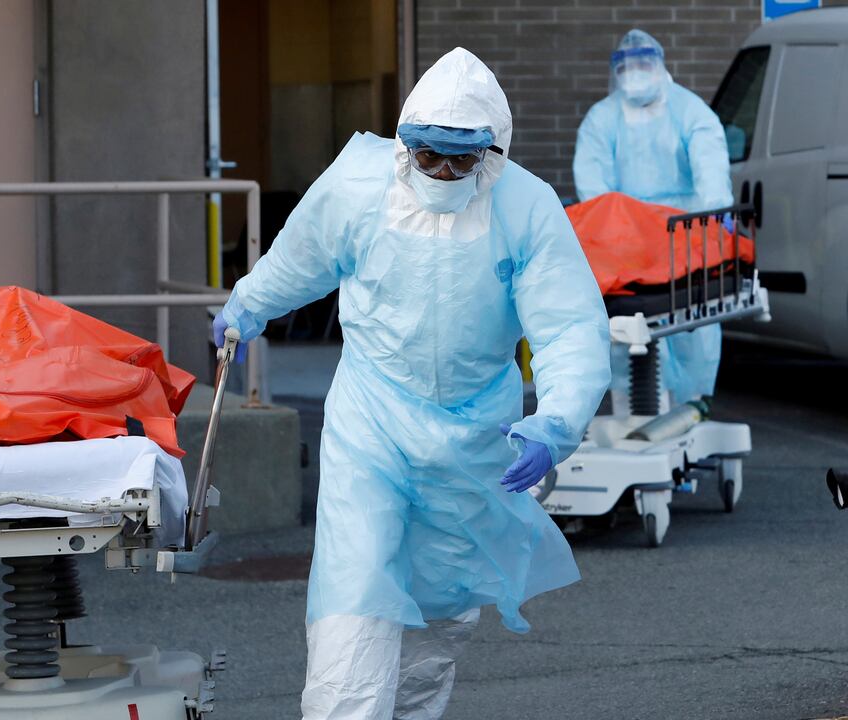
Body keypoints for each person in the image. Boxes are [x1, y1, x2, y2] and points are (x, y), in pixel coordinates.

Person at [212, 48, 611, 719]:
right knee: (354, 596)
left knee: (440, 614)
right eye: (430, 157)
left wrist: (557, 419)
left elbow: (568, 325)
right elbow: (301, 256)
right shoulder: (359, 187)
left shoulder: (527, 207)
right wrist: (248, 306)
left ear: (495, 153)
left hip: (475, 437)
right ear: (404, 149)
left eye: (463, 160)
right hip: (373, 425)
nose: (446, 173)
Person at [573, 29, 734, 409]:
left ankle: (693, 407)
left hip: (684, 239)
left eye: (643, 64)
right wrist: (616, 230)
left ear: (660, 66)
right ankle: (632, 411)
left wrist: (716, 214)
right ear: (617, 71)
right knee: (624, 339)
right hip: (627, 244)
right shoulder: (602, 120)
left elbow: (711, 170)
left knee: (691, 335)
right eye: (627, 67)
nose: (636, 73)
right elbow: (594, 188)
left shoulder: (691, 113)